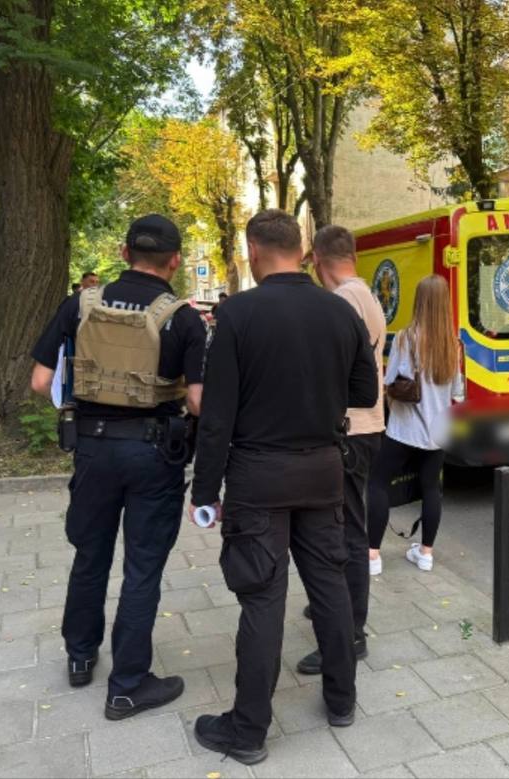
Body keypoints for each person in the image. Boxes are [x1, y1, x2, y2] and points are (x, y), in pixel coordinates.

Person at [189, 209, 378, 765]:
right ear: (303, 251)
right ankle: (341, 700)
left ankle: (248, 730)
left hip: (259, 476)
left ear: (253, 251)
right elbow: (365, 392)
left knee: (262, 597)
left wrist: (204, 491)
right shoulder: (338, 310)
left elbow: (217, 415)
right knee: (330, 586)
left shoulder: (238, 313)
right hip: (323, 468)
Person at [30, 214, 207, 719]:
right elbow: (198, 402)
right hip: (155, 454)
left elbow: (40, 382)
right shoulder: (184, 319)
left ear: (125, 253)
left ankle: (80, 655)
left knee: (90, 555)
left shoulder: (81, 305)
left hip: (92, 449)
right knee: (142, 568)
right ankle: (128, 685)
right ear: (175, 261)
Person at [296, 225, 386, 675]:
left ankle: (351, 632)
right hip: (366, 426)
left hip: (351, 429)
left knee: (345, 533)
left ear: (317, 259)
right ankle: (337, 609)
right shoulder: (364, 295)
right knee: (346, 525)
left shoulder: (343, 301)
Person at [366, 274, 460, 573]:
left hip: (405, 429)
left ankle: (372, 555)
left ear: (419, 302)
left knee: (378, 483)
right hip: (438, 431)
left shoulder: (406, 338)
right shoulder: (453, 343)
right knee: (431, 489)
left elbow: (390, 380)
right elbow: (457, 391)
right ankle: (426, 553)